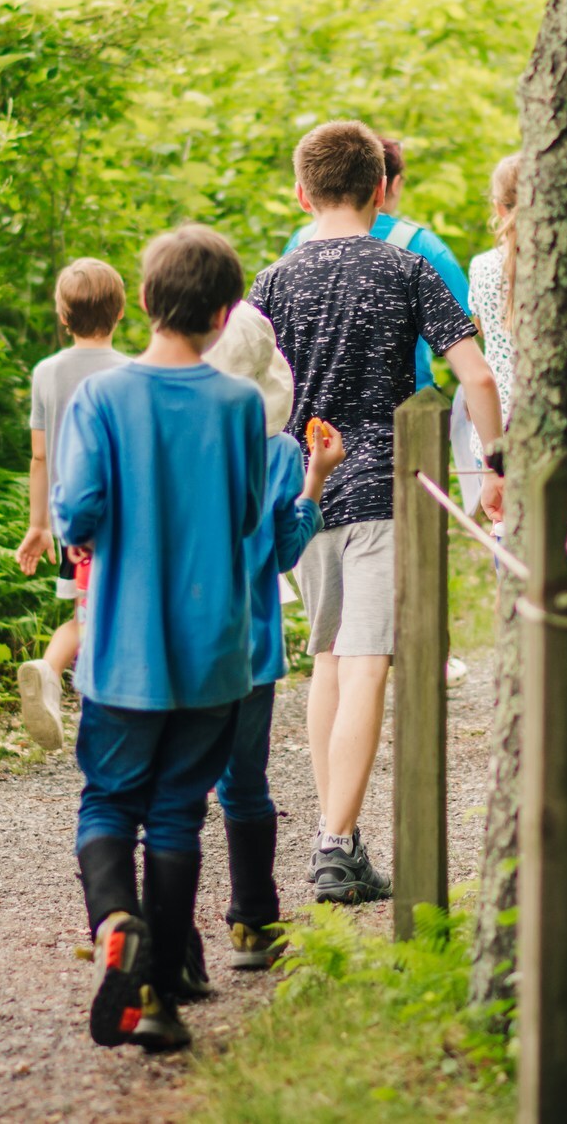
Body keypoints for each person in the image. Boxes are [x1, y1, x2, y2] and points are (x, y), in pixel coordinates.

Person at [249, 120, 505, 903]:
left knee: (327, 657)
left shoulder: (270, 282)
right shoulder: (407, 266)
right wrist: (494, 462)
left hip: (303, 489)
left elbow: (252, 397)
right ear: (380, 189)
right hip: (385, 487)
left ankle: (342, 837)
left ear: (301, 192)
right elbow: (477, 375)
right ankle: (333, 842)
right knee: (368, 662)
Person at [53, 224, 267, 1053]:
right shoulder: (241, 404)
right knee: (179, 814)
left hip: (122, 650)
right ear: (222, 316)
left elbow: (77, 512)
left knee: (109, 798)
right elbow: (249, 514)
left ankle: (115, 920)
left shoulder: (101, 399)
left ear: (142, 302)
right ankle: (161, 995)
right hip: (216, 651)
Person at [201, 304, 342, 971]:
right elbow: (284, 550)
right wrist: (314, 484)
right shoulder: (282, 453)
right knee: (244, 783)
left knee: (175, 783)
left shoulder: (183, 438)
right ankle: (253, 920)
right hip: (252, 648)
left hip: (182, 641)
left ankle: (163, 929)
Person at [468, 159, 567, 583]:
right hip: (563, 424)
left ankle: (519, 633)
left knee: (515, 542)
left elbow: (485, 337)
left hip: (503, 428)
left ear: (499, 209)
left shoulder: (481, 268)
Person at [14, 258, 129, 750]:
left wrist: (39, 525)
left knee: (87, 612)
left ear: (63, 316)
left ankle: (50, 666)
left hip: (70, 520)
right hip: (123, 520)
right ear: (121, 312)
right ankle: (119, 715)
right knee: (121, 612)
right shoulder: (130, 372)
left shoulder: (47, 372)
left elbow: (40, 455)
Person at [282, 135, 468, 392]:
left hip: (309, 410)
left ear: (304, 193)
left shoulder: (298, 245)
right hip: (406, 403)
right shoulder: (422, 246)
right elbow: (466, 320)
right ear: (387, 186)